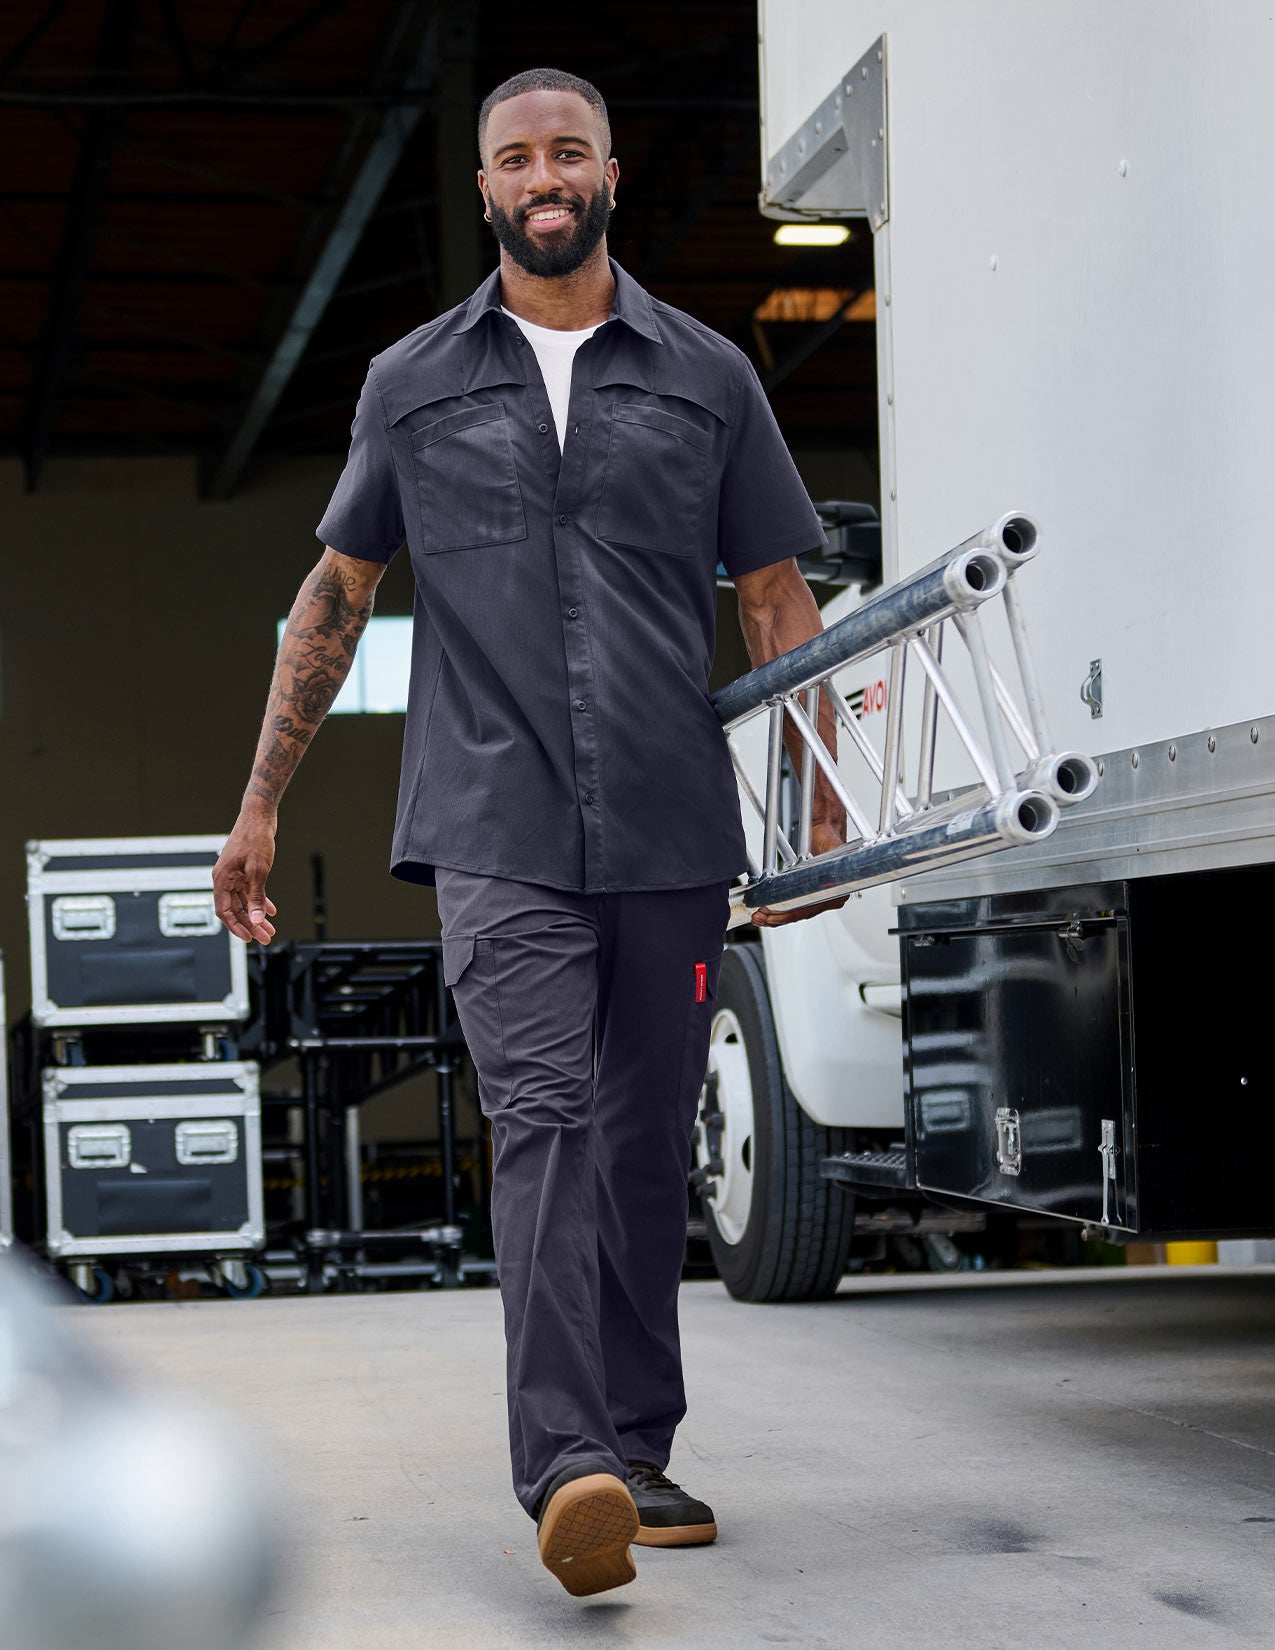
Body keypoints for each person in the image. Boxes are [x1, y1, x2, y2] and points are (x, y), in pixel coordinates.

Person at [213, 65, 849, 1599]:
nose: (544, 173)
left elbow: (774, 598)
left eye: (569, 149)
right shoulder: (410, 380)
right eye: (516, 156)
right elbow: (334, 599)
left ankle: (637, 1446)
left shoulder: (706, 376)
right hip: (492, 825)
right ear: (487, 186)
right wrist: (256, 802)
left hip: (670, 827)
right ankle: (565, 1462)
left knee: (641, 1147)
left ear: (610, 172)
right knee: (547, 1117)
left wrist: (817, 813)